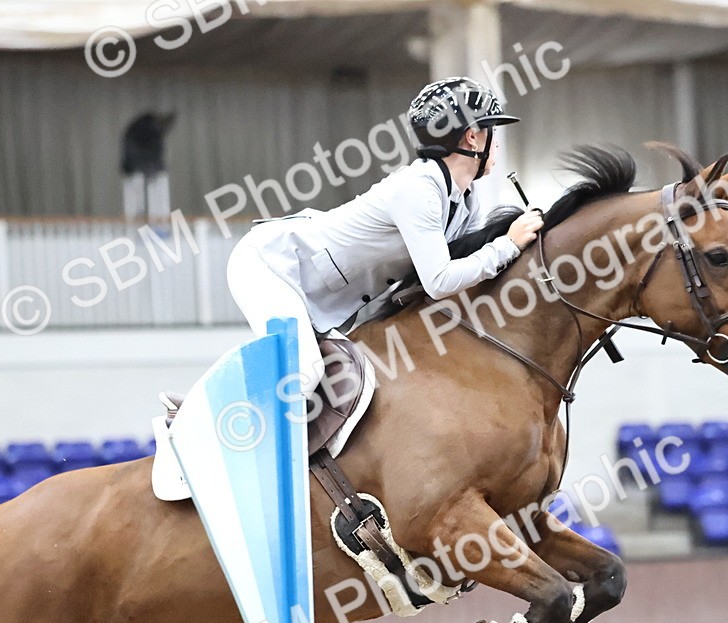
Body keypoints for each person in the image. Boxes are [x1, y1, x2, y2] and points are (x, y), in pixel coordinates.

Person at [225, 77, 544, 399]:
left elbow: (465, 270)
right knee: (304, 376)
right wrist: (507, 244)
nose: (497, 144)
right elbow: (439, 281)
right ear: (473, 137)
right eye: (492, 132)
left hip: (312, 288)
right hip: (270, 266)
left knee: (342, 384)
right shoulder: (419, 188)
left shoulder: (466, 199)